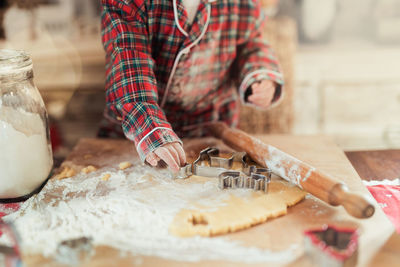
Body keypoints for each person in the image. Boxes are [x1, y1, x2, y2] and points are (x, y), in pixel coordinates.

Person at [100, 0, 283, 172]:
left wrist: (260, 73)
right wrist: (151, 128)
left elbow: (251, 42)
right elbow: (128, 62)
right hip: (135, 134)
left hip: (213, 132)